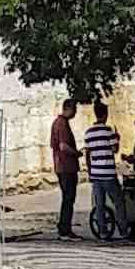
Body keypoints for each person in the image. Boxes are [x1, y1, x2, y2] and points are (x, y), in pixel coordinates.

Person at [82, 107, 122, 242]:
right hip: (108, 173)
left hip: (96, 173)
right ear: (105, 115)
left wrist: (90, 171)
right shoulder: (108, 131)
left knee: (99, 204)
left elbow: (87, 154)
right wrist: (117, 139)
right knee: (118, 201)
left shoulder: (88, 133)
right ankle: (123, 230)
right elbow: (115, 149)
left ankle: (103, 232)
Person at [50, 99, 81, 240]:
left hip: (61, 166)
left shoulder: (57, 123)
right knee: (69, 198)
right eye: (74, 109)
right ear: (69, 109)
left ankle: (63, 227)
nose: (75, 113)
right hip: (66, 166)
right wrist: (76, 153)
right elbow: (63, 146)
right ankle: (65, 230)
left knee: (67, 198)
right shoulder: (62, 124)